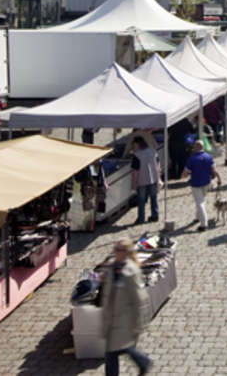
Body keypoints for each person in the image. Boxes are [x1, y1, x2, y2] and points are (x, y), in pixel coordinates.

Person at [100, 240, 152, 376]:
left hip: (124, 320)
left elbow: (139, 299)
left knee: (113, 353)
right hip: (112, 318)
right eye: (115, 248)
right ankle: (143, 361)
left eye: (119, 249)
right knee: (120, 349)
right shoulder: (111, 267)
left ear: (126, 253)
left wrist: (140, 323)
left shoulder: (131, 271)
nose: (115, 251)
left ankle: (143, 361)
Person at [180, 140, 220, 231]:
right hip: (207, 182)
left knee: (200, 203)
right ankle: (197, 217)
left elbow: (186, 172)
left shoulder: (192, 159)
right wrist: (219, 178)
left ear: (195, 148)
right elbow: (214, 170)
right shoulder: (209, 157)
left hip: (196, 183)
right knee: (201, 199)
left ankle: (204, 224)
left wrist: (182, 176)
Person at [130, 135, 160, 224]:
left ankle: (141, 219)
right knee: (154, 198)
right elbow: (158, 165)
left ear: (137, 145)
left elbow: (135, 172)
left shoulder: (136, 156)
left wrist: (134, 184)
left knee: (141, 200)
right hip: (154, 178)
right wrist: (159, 177)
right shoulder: (153, 151)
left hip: (142, 180)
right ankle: (155, 216)